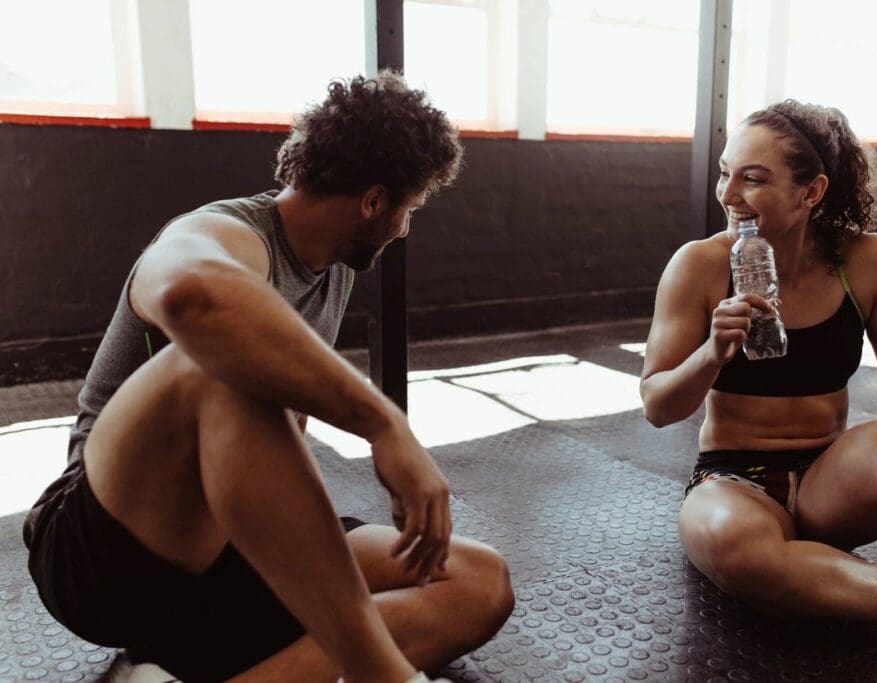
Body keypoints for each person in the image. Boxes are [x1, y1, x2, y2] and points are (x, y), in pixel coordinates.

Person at [23, 71, 514, 683]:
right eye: (410, 209)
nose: (406, 227)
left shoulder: (334, 266)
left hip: (224, 555)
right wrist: (385, 426)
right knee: (221, 369)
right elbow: (190, 297)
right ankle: (384, 674)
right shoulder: (222, 233)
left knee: (478, 581)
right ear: (373, 201)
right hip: (102, 557)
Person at [640, 100, 877, 682]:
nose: (728, 193)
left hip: (831, 486)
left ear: (811, 191)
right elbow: (657, 406)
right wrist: (711, 352)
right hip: (734, 481)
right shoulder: (697, 265)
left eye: (753, 178)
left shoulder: (869, 262)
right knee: (731, 541)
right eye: (725, 171)